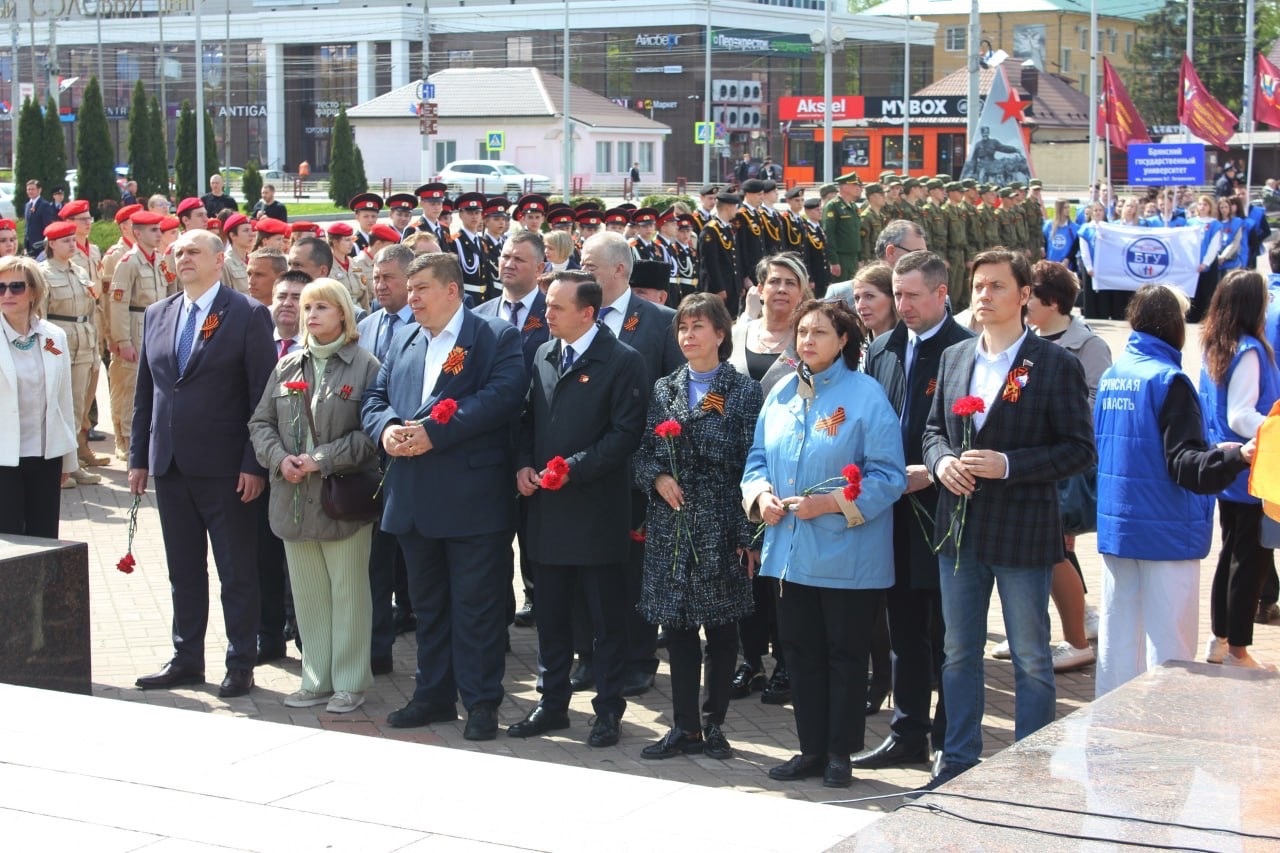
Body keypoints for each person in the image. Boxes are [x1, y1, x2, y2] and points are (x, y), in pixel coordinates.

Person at [918, 248, 1095, 793]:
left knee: (1031, 657)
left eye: (997, 286)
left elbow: (1078, 450)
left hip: (1022, 529)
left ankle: (1027, 771)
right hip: (960, 529)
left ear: (1024, 297)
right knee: (958, 651)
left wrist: (1009, 464)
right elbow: (931, 432)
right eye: (978, 286)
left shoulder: (1054, 365)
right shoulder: (956, 358)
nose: (985, 296)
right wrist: (943, 462)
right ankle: (958, 760)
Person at [741, 298, 906, 788]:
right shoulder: (782, 395)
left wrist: (830, 504)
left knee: (844, 655)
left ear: (843, 342)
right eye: (803, 332)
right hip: (789, 553)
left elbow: (888, 476)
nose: (807, 341)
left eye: (819, 333)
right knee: (799, 653)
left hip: (847, 554)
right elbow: (755, 459)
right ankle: (810, 748)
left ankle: (840, 752)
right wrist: (760, 496)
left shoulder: (865, 395)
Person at [362, 252, 526, 738]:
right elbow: (375, 398)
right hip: (412, 497)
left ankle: (480, 703)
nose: (410, 298)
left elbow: (502, 396)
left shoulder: (494, 337)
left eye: (421, 289)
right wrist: (387, 429)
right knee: (428, 606)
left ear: (452, 291)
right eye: (408, 290)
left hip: (471, 500)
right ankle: (432, 696)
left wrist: (437, 430)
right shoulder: (406, 339)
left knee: (475, 609)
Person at [129, 230, 276, 699]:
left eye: (193, 251)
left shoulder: (248, 314)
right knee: (183, 570)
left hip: (227, 470)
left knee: (236, 570)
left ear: (219, 260)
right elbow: (145, 396)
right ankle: (187, 657)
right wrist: (137, 457)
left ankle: (240, 661)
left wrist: (253, 463)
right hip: (170, 466)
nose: (182, 257)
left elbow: (261, 398)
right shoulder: (159, 313)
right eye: (178, 252)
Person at [510, 269, 648, 747]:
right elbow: (527, 419)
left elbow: (625, 435)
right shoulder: (544, 354)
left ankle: (608, 710)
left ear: (587, 313)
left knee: (605, 621)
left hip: (597, 513)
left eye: (556, 307)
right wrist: (524, 465)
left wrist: (571, 467)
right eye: (547, 305)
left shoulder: (622, 361)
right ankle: (552, 705)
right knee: (551, 617)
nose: (546, 313)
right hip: (547, 514)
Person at [1095, 285, 1254, 695]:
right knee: (1170, 655)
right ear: (1174, 324)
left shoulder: (1114, 376)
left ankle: (1110, 744)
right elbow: (1185, 466)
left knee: (1118, 646)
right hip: (1166, 533)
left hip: (1120, 528)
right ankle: (1164, 744)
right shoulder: (1169, 379)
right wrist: (1237, 457)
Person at [858, 250, 972, 774]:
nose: (901, 305)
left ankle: (952, 736)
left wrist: (935, 467)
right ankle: (907, 732)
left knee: (950, 633)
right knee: (902, 629)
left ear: (941, 293)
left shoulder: (965, 350)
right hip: (892, 511)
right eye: (896, 295)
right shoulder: (881, 349)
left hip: (946, 509)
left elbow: (975, 428)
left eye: (912, 295)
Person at [635, 293, 762, 761]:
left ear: (721, 334)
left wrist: (749, 538)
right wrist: (658, 476)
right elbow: (644, 452)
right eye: (683, 329)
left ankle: (715, 724)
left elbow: (753, 466)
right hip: (672, 527)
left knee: (722, 629)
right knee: (680, 628)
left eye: (698, 328)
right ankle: (684, 727)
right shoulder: (665, 388)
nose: (688, 336)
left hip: (720, 523)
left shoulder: (743, 392)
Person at [249, 278, 380, 713]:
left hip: (342, 502)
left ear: (343, 312)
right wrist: (279, 459)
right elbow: (260, 423)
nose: (311, 315)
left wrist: (322, 459)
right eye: (307, 308)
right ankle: (316, 678)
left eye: (321, 307)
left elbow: (371, 435)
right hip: (293, 498)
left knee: (348, 593)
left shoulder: (365, 366)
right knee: (307, 595)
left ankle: (349, 682)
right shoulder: (287, 365)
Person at [575, 231, 684, 696]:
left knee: (636, 567)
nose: (583, 274)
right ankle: (589, 654)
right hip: (582, 465)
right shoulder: (573, 317)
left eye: (590, 266)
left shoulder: (660, 322)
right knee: (584, 563)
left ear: (620, 270)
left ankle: (638, 657)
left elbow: (678, 394)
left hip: (638, 469)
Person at [1017, 261, 1112, 672]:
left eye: (1031, 295)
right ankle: (1035, 635)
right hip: (1029, 462)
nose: (1024, 303)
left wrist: (1046, 422)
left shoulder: (1088, 346)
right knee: (1035, 554)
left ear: (1052, 301)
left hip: (1063, 461)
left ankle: (1077, 634)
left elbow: (1095, 405)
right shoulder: (1025, 340)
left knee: (1055, 548)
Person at [727, 254, 811, 704]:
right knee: (744, 570)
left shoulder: (810, 339)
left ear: (803, 292)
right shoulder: (739, 334)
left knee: (779, 570)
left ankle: (787, 664)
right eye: (772, 281)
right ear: (758, 288)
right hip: (737, 470)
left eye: (789, 283)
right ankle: (751, 660)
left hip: (787, 472)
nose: (779, 289)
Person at [1199, 270, 1279, 670]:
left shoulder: (1219, 345)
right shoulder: (1248, 350)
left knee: (1233, 553)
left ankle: (1222, 640)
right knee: (1251, 559)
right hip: (1252, 466)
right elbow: (1241, 413)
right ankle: (1237, 650)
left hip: (1230, 466)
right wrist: (1273, 428)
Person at [474, 231, 550, 629]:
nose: (509, 264)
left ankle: (538, 596)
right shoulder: (481, 314)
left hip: (535, 439)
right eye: (505, 256)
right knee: (492, 537)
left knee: (534, 530)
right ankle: (498, 616)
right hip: (489, 443)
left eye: (519, 259)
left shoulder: (552, 313)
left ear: (540, 268)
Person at [356, 243, 417, 667]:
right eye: (376, 277)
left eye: (389, 278)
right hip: (372, 458)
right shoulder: (365, 324)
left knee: (412, 562)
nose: (380, 285)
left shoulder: (428, 327)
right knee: (375, 562)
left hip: (418, 457)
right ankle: (378, 649)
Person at [0, 257, 77, 536]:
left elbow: (63, 399)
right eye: (0, 287)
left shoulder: (52, 339)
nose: (7, 294)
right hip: (4, 459)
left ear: (33, 291)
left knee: (43, 538)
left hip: (45, 457)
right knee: (8, 542)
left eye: (16, 287)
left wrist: (68, 458)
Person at [37, 220, 104, 489]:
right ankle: (60, 466)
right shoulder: (43, 273)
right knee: (60, 407)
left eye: (73, 239)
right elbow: (38, 317)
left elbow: (92, 308)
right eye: (65, 240)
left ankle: (73, 462)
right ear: (51, 244)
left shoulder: (78, 271)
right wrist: (50, 350)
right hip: (59, 343)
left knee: (79, 407)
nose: (72, 244)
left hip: (84, 342)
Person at [108, 210, 167, 461]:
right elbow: (118, 303)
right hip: (135, 325)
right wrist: (122, 341)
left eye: (159, 229)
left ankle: (148, 438)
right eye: (153, 230)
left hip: (157, 325)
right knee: (130, 386)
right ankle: (126, 441)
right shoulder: (128, 262)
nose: (159, 234)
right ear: (137, 233)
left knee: (154, 386)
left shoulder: (159, 260)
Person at [1186, 195, 1224, 323]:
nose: (1202, 207)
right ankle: (1191, 317)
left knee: (1206, 291)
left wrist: (1206, 263)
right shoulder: (1190, 222)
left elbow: (1214, 246)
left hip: (1207, 264)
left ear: (1210, 207)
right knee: (1192, 291)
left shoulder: (1215, 224)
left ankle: (1206, 318)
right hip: (1192, 264)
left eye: (1205, 205)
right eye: (1200, 204)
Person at [824, 174, 863, 281]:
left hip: (853, 257)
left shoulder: (853, 206)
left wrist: (860, 258)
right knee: (840, 294)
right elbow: (829, 235)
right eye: (855, 185)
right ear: (844, 187)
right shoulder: (833, 206)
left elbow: (856, 234)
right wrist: (834, 261)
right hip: (841, 258)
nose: (858, 188)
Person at [22, 180, 57, 257]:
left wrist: (45, 244)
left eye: (32, 189)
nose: (30, 191)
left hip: (40, 245)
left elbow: (47, 226)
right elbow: (27, 225)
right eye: (28, 189)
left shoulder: (44, 205)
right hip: (29, 245)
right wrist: (25, 245)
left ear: (39, 190)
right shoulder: (27, 205)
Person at [1215, 196, 1247, 274]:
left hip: (1232, 261)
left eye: (1226, 207)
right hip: (1217, 261)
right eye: (1221, 207)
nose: (1224, 210)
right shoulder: (1215, 223)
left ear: (1229, 207)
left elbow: (1236, 241)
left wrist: (1224, 256)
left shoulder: (1237, 222)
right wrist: (1217, 256)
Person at [1042, 199, 1078, 267]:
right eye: (1065, 207)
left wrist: (1068, 259)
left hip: (1066, 265)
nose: (1068, 209)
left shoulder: (1074, 227)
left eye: (1068, 207)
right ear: (1058, 209)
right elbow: (1044, 242)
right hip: (1051, 264)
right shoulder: (1048, 225)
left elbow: (1075, 247)